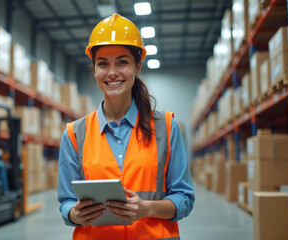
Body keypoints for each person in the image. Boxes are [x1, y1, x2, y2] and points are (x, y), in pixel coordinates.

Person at [57, 13, 194, 239]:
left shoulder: (167, 128)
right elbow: (66, 202)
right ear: (94, 70)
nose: (112, 72)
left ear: (137, 65)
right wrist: (74, 214)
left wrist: (147, 208)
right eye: (103, 64)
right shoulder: (74, 134)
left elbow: (185, 198)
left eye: (122, 62)